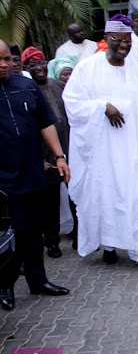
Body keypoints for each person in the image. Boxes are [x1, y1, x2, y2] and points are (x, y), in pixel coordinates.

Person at [62, 15, 138, 276]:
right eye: (116, 41)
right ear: (106, 38)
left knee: (137, 197)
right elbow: (73, 104)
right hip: (104, 153)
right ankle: (110, 244)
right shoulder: (88, 69)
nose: (122, 45)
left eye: (126, 41)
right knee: (106, 195)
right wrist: (103, 107)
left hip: (134, 150)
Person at [0, 39, 70, 311]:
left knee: (34, 231)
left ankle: (38, 280)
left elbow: (45, 123)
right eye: (1, 60)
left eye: (8, 59)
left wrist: (59, 156)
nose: (5, 64)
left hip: (33, 173)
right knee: (9, 235)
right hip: (4, 183)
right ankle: (5, 286)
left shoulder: (26, 86)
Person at [23, 47, 71, 259]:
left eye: (41, 62)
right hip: (46, 157)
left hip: (69, 150)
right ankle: (52, 242)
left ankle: (80, 236)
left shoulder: (59, 86)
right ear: (27, 68)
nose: (39, 68)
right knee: (50, 202)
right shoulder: (27, 90)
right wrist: (40, 159)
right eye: (32, 65)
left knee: (74, 195)